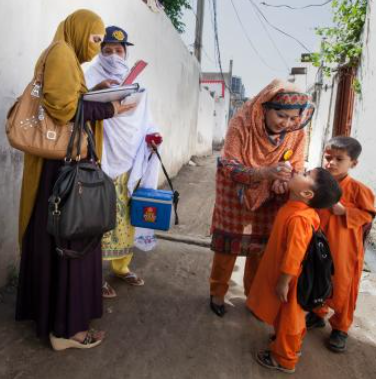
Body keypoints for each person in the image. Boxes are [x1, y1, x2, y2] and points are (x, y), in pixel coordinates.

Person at [16, 10, 134, 350]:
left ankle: (54, 321)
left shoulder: (63, 54)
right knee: (73, 244)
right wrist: (111, 108)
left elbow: (67, 99)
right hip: (63, 170)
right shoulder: (62, 54)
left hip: (57, 170)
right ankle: (67, 331)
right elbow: (65, 110)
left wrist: (94, 91)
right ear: (79, 30)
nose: (97, 48)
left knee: (60, 242)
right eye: (96, 39)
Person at [209, 79, 315, 317]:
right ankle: (217, 292)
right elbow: (229, 165)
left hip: (272, 199)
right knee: (228, 246)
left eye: (292, 117)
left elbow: (296, 165)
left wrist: (283, 181)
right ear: (265, 108)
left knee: (260, 248)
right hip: (235, 193)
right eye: (281, 115)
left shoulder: (296, 132)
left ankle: (253, 296)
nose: (286, 123)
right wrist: (265, 172)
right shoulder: (241, 123)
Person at [85, 26, 162, 298]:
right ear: (99, 52)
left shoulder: (140, 85)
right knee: (98, 220)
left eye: (119, 50)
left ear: (126, 52)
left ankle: (121, 267)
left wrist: (153, 137)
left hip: (130, 161)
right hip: (100, 160)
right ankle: (95, 274)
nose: (114, 56)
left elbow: (145, 120)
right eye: (107, 51)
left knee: (127, 217)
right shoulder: (89, 76)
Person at [247, 168, 342, 374]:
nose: (299, 171)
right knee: (286, 316)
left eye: (306, 174)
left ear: (307, 194)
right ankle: (285, 344)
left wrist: (284, 282)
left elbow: (295, 254)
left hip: (292, 281)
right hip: (287, 277)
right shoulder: (295, 208)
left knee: (291, 318)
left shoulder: (300, 217)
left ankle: (284, 358)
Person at [305, 137, 375, 352]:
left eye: (339, 159)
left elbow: (369, 214)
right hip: (318, 245)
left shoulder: (358, 189)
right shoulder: (318, 182)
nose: (331, 163)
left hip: (344, 250)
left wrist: (345, 211)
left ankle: (341, 327)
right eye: (328, 158)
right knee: (317, 277)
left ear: (353, 164)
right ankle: (317, 314)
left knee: (343, 286)